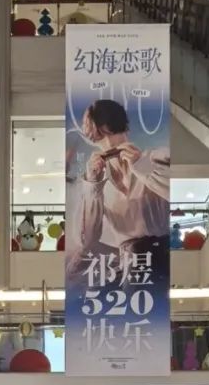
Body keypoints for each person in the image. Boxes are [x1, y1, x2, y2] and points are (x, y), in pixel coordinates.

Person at [70, 98, 170, 289]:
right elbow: (85, 240)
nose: (108, 142)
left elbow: (174, 194)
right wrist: (93, 184)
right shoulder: (97, 179)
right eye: (100, 136)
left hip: (163, 257)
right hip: (129, 262)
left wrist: (142, 167)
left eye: (112, 132)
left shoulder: (157, 158)